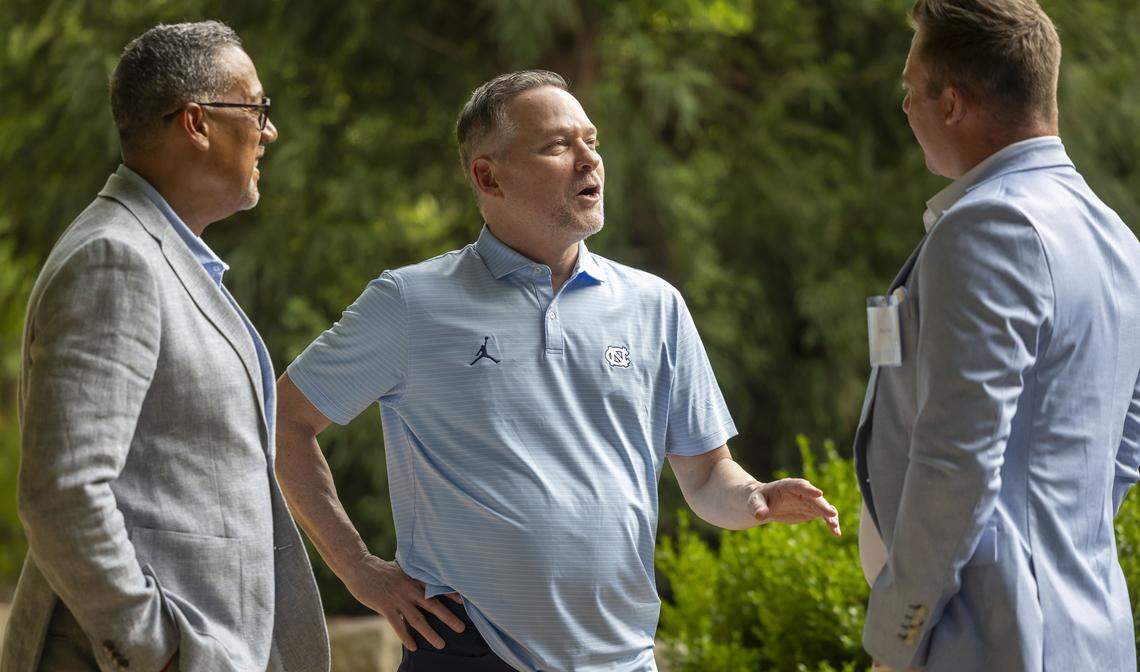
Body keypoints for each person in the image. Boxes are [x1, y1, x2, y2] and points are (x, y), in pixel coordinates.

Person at [275, 69, 841, 672]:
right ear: (488, 176)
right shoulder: (411, 303)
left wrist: (753, 496)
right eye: (556, 146)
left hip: (621, 658)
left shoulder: (655, 306)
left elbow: (705, 477)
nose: (588, 160)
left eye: (591, 141)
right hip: (468, 650)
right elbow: (284, 422)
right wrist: (360, 570)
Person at [0, 21, 329, 672]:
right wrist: (156, 649)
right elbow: (62, 494)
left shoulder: (159, 255)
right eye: (257, 108)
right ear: (196, 122)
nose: (270, 131)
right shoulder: (114, 261)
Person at [854, 1, 1140, 670]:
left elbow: (958, 460)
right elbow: (1128, 437)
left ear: (951, 102)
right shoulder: (1119, 241)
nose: (903, 107)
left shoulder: (988, 228)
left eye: (909, 86)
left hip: (993, 640)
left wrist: (899, 635)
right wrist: (1056, 529)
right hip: (1089, 631)